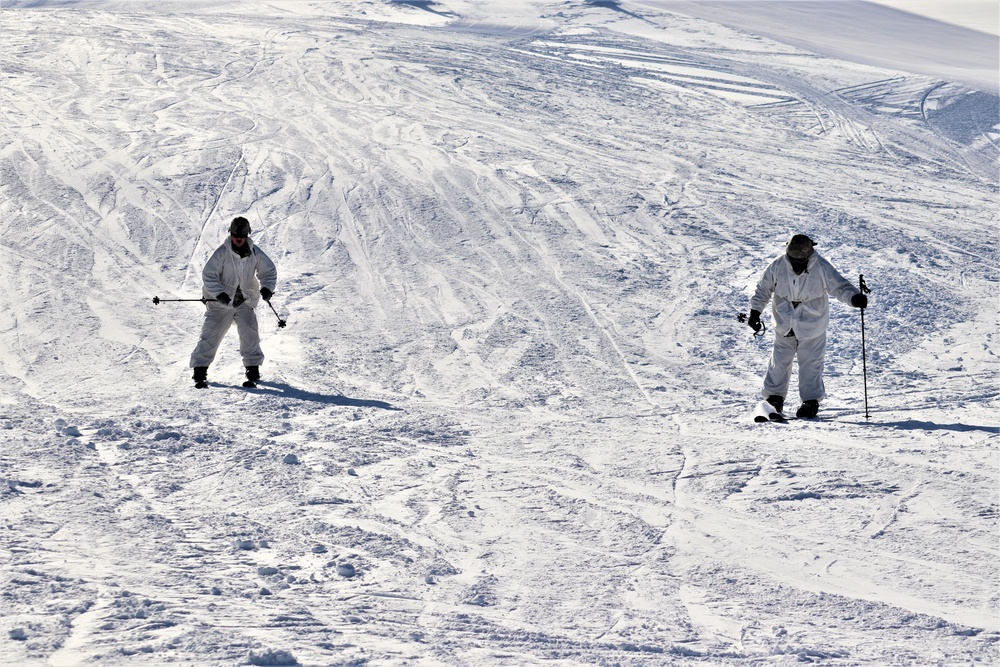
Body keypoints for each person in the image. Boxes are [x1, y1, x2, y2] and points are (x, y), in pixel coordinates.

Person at [747, 234, 867, 418]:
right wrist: (755, 311)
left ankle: (810, 402)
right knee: (779, 362)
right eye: (793, 259)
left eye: (800, 260)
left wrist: (854, 297)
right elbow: (763, 289)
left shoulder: (821, 266)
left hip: (813, 325)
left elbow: (840, 286)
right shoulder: (777, 265)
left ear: (808, 255)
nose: (796, 263)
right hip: (784, 323)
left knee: (811, 364)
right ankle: (774, 399)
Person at [190, 216, 277, 388]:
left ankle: (252, 368)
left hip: (244, 299)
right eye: (236, 234)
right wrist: (219, 293)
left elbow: (269, 271)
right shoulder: (222, 252)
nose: (239, 238)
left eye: (242, 235)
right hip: (220, 302)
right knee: (211, 332)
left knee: (249, 329)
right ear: (231, 234)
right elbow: (209, 274)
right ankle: (200, 370)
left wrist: (267, 287)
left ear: (247, 235)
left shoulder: (254, 252)